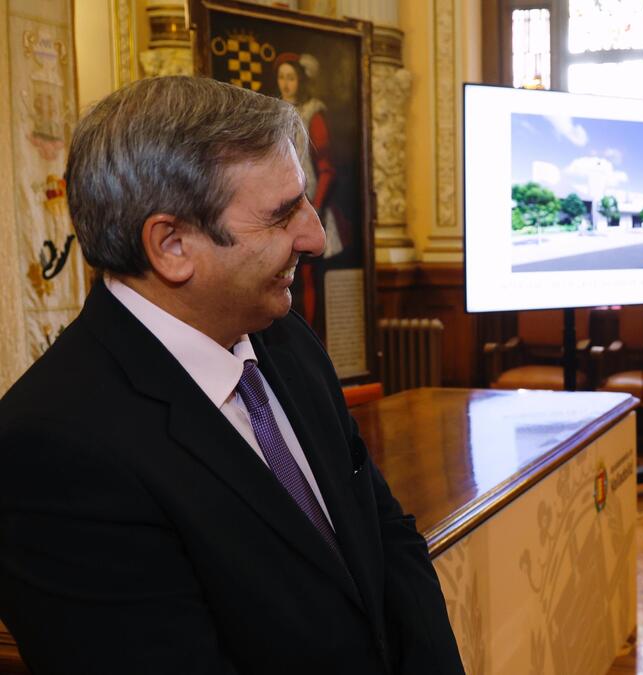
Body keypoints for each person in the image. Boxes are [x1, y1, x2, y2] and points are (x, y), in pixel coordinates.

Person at [0, 76, 465, 674]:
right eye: (281, 215)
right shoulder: (53, 449)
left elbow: (385, 537)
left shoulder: (284, 337)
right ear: (171, 246)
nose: (316, 237)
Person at [274, 52, 351, 336]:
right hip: (282, 207)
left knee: (306, 275)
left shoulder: (312, 113)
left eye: (291, 78)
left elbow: (326, 167)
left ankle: (310, 333)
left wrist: (314, 206)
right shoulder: (275, 112)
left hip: (313, 204)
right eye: (281, 78)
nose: (286, 84)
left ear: (300, 80)